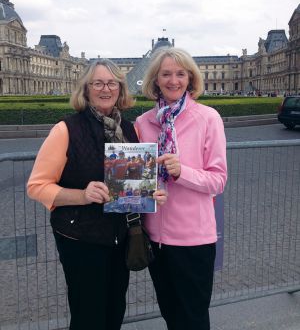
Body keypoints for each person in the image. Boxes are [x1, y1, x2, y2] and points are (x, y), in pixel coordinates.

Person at [27, 59, 167, 330]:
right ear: (87, 89)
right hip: (81, 238)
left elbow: (132, 183)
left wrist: (150, 193)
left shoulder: (129, 130)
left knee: (115, 310)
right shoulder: (66, 129)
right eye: (98, 83)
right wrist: (83, 195)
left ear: (120, 88)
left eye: (112, 82)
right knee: (88, 315)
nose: (106, 88)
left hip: (120, 237)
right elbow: (37, 186)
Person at [135, 47, 227, 330]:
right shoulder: (142, 123)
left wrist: (181, 172)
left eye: (180, 73)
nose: (173, 80)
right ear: (155, 80)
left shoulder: (208, 118)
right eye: (166, 74)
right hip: (157, 240)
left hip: (193, 239)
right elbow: (137, 181)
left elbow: (218, 179)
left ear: (190, 79)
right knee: (172, 316)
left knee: (194, 319)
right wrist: (145, 191)